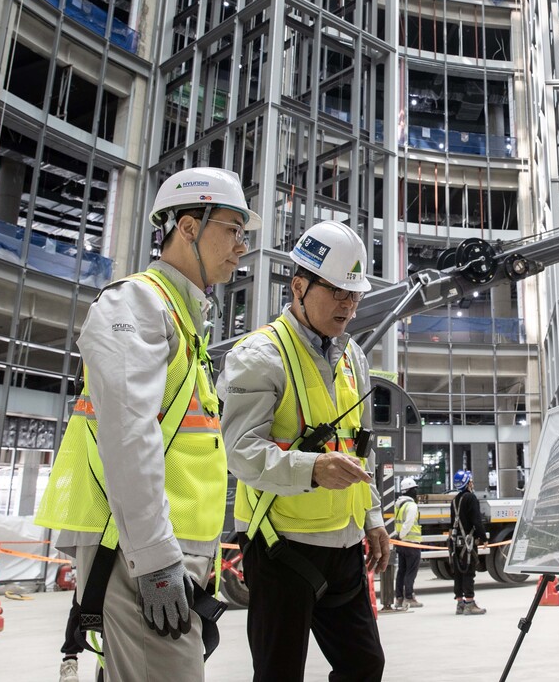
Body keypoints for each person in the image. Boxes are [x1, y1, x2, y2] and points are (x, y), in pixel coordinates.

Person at [36, 167, 258, 681]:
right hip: (137, 550)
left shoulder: (183, 318)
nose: (241, 246)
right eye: (232, 229)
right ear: (188, 227)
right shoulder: (137, 302)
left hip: (160, 546)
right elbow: (128, 439)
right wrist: (155, 558)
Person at [219, 220, 390, 682]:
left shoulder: (352, 356)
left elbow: (359, 446)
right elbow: (240, 451)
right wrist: (312, 468)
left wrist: (372, 517)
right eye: (337, 291)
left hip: (344, 544)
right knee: (279, 673)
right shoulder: (260, 355)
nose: (348, 305)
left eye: (354, 295)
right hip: (281, 548)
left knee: (364, 665)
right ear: (299, 286)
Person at [449, 470, 487, 615]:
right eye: (470, 481)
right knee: (468, 571)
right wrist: (483, 538)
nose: (472, 483)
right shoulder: (471, 498)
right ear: (467, 483)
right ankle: (470, 603)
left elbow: (452, 523)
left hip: (456, 543)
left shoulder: (454, 501)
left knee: (458, 572)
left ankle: (460, 604)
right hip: (468, 543)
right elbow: (476, 520)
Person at [390, 477, 423, 610]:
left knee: (402, 571)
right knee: (411, 571)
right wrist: (402, 536)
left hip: (401, 543)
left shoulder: (398, 505)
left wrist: (399, 538)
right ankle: (409, 597)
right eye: (414, 489)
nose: (416, 492)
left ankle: (399, 598)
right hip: (411, 543)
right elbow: (408, 524)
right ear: (410, 490)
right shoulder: (411, 506)